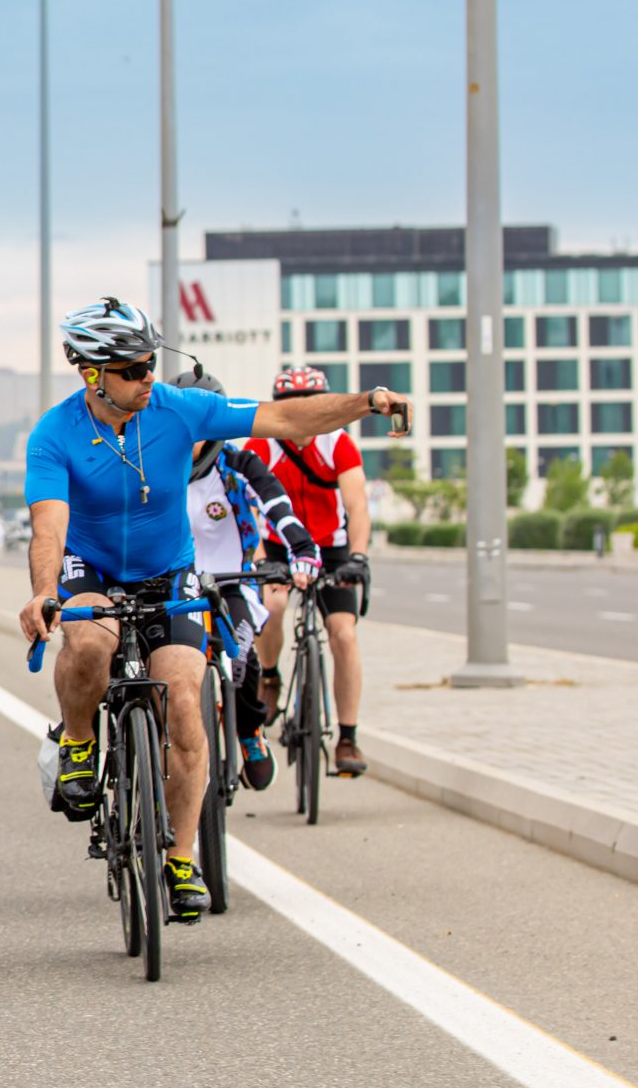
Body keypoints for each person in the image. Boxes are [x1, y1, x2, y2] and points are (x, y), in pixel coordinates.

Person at [22, 300, 410, 925]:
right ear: (93, 374)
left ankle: (181, 858)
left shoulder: (178, 409)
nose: (149, 378)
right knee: (89, 639)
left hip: (169, 571)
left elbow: (285, 417)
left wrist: (365, 403)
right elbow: (49, 527)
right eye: (133, 369)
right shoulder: (54, 433)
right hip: (89, 568)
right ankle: (79, 739)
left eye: (151, 364)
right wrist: (44, 592)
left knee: (184, 701)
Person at [170, 369, 318, 792]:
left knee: (239, 654)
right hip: (172, 583)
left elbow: (276, 503)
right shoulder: (154, 464)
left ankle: (249, 730)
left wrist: (301, 548)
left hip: (231, 581)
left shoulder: (239, 463)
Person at [237, 366, 377, 777]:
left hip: (331, 547)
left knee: (344, 634)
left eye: (311, 402)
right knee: (273, 607)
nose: (302, 410)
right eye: (291, 404)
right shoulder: (262, 445)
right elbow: (247, 508)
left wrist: (358, 556)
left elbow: (357, 507)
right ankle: (271, 676)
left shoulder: (338, 443)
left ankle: (347, 736)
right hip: (278, 544)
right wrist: (262, 557)